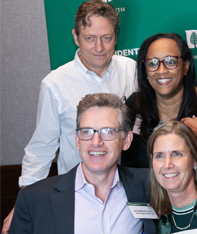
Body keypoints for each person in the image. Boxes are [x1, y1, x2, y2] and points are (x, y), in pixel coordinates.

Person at [3, 0, 137, 233]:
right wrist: (23, 203)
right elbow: (42, 148)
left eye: (106, 38)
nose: (99, 47)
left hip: (126, 194)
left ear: (116, 37)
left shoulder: (132, 70)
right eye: (89, 38)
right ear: (76, 37)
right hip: (75, 196)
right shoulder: (55, 83)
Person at [10, 93, 155, 234]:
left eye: (107, 131)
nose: (96, 142)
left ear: (127, 140)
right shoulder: (34, 199)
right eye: (87, 132)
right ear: (77, 140)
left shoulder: (150, 184)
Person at [121, 33, 197, 181]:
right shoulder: (135, 105)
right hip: (146, 199)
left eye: (170, 61)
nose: (161, 71)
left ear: (185, 67)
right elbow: (127, 169)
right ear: (145, 71)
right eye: (153, 63)